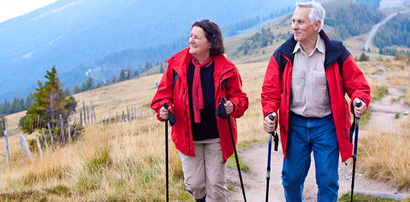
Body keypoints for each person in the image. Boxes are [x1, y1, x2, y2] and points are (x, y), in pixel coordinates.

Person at [261, 1, 371, 201]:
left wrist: (359, 100)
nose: (294, 26)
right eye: (293, 21)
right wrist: (270, 112)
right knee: (291, 179)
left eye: (300, 22)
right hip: (295, 125)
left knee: (328, 180)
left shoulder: (336, 52)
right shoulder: (282, 54)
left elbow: (358, 85)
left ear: (317, 25)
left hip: (326, 125)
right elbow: (270, 91)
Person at [151, 19, 248, 202]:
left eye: (196, 37)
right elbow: (162, 97)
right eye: (190, 36)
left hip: (217, 136)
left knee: (217, 188)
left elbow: (240, 98)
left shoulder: (227, 69)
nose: (191, 40)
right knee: (195, 185)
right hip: (188, 136)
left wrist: (232, 105)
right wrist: (164, 108)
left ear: (211, 42)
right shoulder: (177, 66)